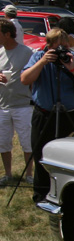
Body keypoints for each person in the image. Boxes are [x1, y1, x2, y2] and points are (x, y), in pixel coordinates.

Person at [20, 28, 74, 203]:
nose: (62, 51)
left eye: (65, 47)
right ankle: (42, 195)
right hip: (45, 115)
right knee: (41, 154)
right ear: (48, 47)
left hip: (71, 115)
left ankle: (73, 194)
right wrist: (42, 63)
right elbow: (25, 79)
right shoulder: (38, 57)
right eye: (57, 48)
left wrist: (72, 69)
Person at [0, 19, 34, 186]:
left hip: (23, 105)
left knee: (27, 141)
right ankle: (8, 174)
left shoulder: (27, 52)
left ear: (7, 34)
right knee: (3, 142)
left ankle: (29, 174)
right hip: (3, 106)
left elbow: (35, 75)